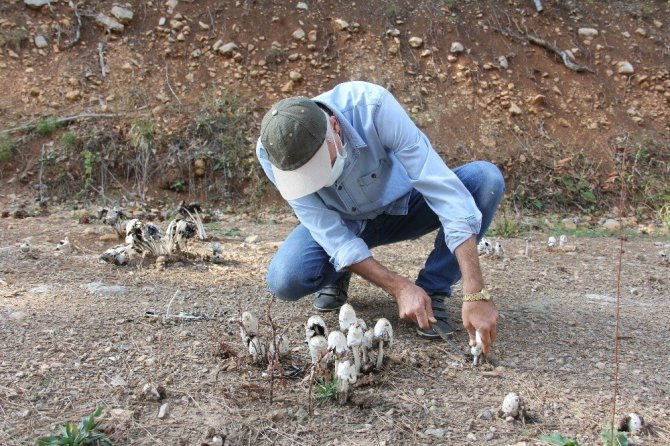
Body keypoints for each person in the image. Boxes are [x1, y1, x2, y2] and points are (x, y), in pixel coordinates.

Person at [255, 81, 504, 354]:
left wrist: (475, 289)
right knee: (285, 278)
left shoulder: (372, 107)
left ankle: (433, 290)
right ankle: (340, 271)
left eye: (319, 167)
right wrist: (398, 287)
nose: (318, 181)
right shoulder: (273, 152)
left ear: (334, 127)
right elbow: (328, 232)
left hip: (406, 206)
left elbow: (444, 192)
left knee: (485, 180)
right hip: (344, 222)